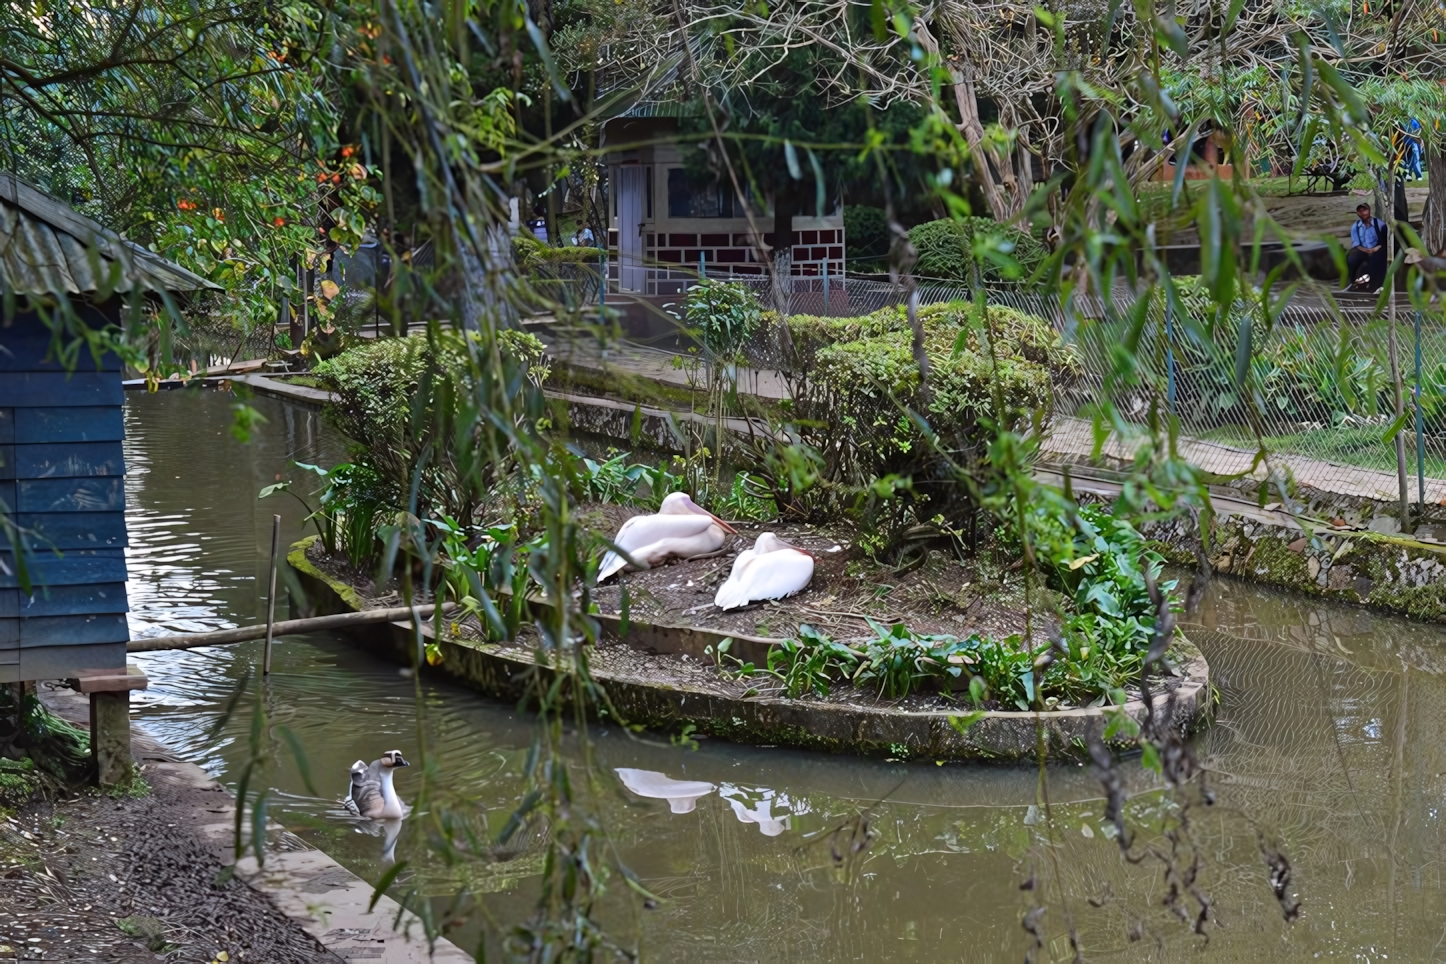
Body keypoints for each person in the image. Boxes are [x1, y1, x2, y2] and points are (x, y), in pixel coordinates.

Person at [1346, 203, 1388, 291]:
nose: (1363, 213)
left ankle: (1375, 284)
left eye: (1365, 210)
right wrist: (1366, 250)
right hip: (1362, 250)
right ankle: (1351, 281)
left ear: (1369, 211)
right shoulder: (1355, 227)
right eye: (1360, 211)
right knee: (1352, 259)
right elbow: (1356, 244)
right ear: (1358, 213)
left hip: (1377, 249)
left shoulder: (1379, 224)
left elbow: (1384, 241)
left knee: (1377, 260)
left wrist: (1374, 249)